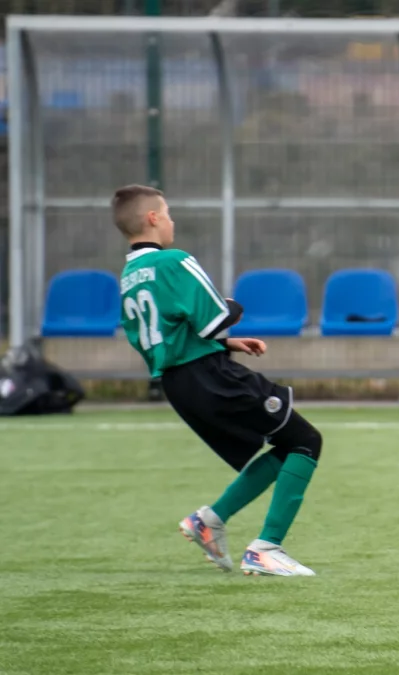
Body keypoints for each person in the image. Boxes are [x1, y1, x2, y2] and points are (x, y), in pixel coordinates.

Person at [114, 184, 320, 577]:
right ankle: (265, 548)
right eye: (168, 213)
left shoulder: (128, 277)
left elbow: (168, 333)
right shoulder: (173, 261)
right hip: (210, 377)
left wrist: (224, 343)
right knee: (306, 441)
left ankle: (209, 520)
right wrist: (231, 311)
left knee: (288, 444)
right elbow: (218, 314)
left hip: (179, 382)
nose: (172, 221)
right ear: (153, 218)